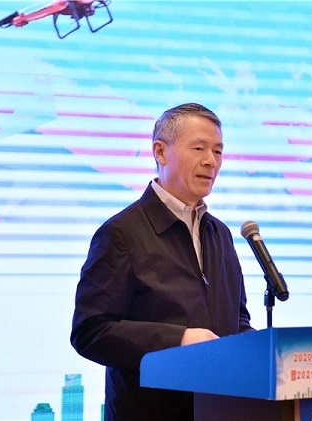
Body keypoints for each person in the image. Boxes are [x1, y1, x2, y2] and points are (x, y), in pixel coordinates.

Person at [70, 103, 253, 420]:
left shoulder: (220, 234)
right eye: (199, 148)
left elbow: (236, 321)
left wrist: (261, 350)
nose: (211, 161)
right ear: (160, 152)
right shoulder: (121, 233)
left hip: (221, 410)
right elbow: (90, 331)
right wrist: (178, 340)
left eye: (218, 151)